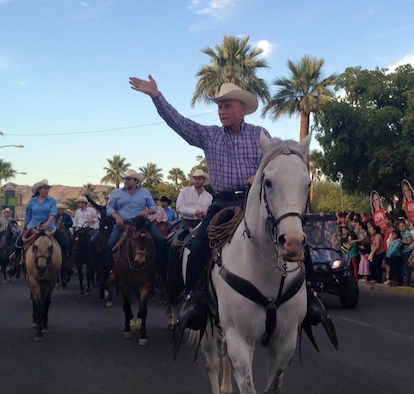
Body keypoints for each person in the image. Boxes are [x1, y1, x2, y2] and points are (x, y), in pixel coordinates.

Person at [130, 76, 330, 332]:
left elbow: (272, 167)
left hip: (253, 202)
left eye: (227, 106)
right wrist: (157, 97)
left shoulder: (260, 135)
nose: (222, 111)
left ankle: (311, 295)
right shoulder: (209, 135)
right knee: (197, 245)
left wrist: (257, 176)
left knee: (295, 238)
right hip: (222, 204)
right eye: (220, 107)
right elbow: (179, 123)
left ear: (242, 109)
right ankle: (194, 300)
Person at [105, 169, 162, 278]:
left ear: (136, 181)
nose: (126, 181)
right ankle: (111, 271)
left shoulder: (145, 193)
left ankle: (161, 270)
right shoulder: (116, 193)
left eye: (129, 179)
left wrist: (147, 211)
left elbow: (153, 207)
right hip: (122, 223)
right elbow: (109, 208)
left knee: (160, 240)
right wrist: (117, 217)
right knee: (110, 244)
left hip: (142, 222)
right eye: (125, 179)